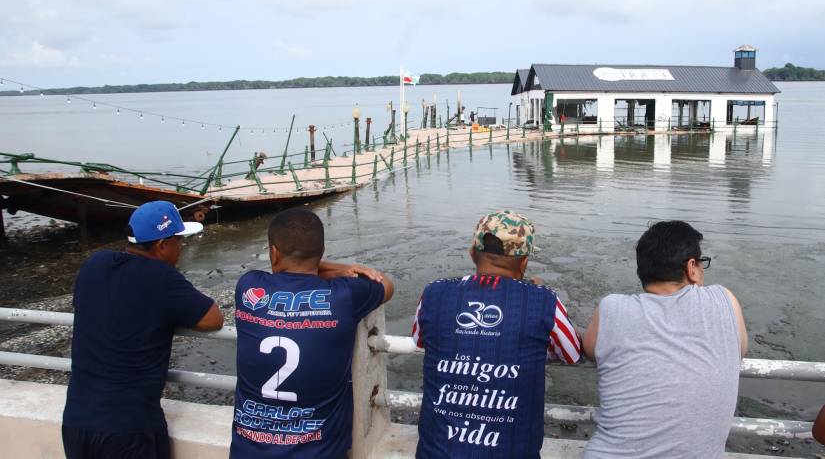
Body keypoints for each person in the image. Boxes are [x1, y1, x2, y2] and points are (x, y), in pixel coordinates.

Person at [412, 210, 582, 458]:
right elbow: (571, 353)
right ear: (524, 262)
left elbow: (419, 340)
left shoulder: (433, 293)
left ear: (472, 253)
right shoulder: (544, 300)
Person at [62, 200, 224, 459]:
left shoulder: (95, 264)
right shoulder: (161, 278)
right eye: (178, 241)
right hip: (128, 430)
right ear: (162, 246)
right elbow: (213, 319)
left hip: (76, 421)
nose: (181, 248)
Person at [231, 207, 394, 458]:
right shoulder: (344, 296)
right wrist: (342, 268)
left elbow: (278, 271)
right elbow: (386, 285)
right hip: (320, 451)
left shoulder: (249, 287)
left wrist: (323, 265)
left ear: (273, 253)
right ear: (321, 253)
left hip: (249, 451)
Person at [582, 220, 748, 459]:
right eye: (701, 264)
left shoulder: (611, 308)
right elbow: (739, 348)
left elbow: (590, 349)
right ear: (691, 267)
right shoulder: (724, 301)